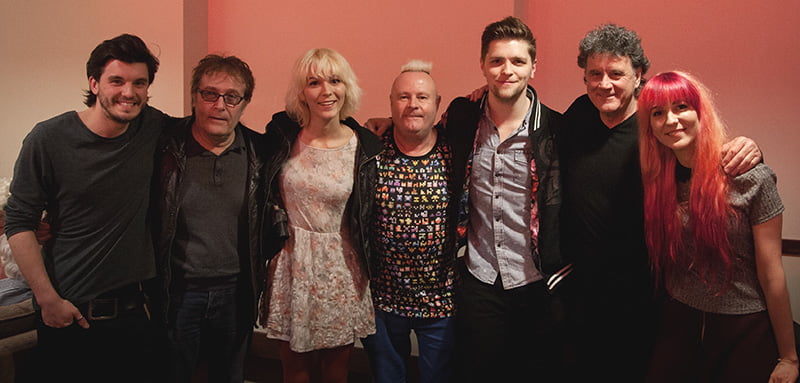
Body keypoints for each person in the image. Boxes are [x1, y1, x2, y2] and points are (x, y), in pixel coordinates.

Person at [560, 24, 761, 381]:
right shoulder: (578, 114)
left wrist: (748, 149)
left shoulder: (657, 128)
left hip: (647, 292)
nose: (604, 84)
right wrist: (485, 99)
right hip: (583, 292)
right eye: (594, 74)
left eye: (616, 74)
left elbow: (705, 159)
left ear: (638, 75)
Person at [3, 34, 168, 381]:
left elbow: (210, 129)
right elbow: (19, 221)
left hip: (136, 313)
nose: (129, 92)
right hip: (69, 313)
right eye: (116, 81)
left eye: (139, 83)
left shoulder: (153, 127)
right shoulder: (48, 139)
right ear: (94, 84)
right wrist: (47, 300)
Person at [638, 71, 798, 383]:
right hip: (679, 322)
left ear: (701, 112)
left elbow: (772, 274)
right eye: (658, 113)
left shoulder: (750, 177)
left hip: (744, 324)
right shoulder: (656, 180)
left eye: (681, 107)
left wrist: (789, 357)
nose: (670, 120)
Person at [442, 16, 569, 382]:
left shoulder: (556, 129)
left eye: (517, 61)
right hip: (480, 279)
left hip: (537, 283)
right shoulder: (462, 118)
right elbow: (422, 135)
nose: (506, 70)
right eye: (497, 61)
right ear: (483, 65)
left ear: (533, 67)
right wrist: (385, 123)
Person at [259, 48, 381, 383]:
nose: (326, 91)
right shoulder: (281, 136)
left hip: (340, 266)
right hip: (292, 262)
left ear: (346, 87)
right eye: (314, 82)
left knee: (335, 371)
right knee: (294, 370)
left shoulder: (366, 147)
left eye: (335, 80)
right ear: (302, 92)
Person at [153, 54, 266, 382]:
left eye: (231, 97)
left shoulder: (261, 152)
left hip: (236, 293)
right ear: (194, 97)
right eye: (210, 94)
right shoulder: (163, 146)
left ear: (244, 104)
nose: (220, 105)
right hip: (177, 292)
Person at [360, 60, 457, 383]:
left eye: (422, 97)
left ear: (437, 104)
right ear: (391, 103)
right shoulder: (371, 150)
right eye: (403, 97)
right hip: (383, 299)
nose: (413, 104)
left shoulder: (455, 150)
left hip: (441, 300)